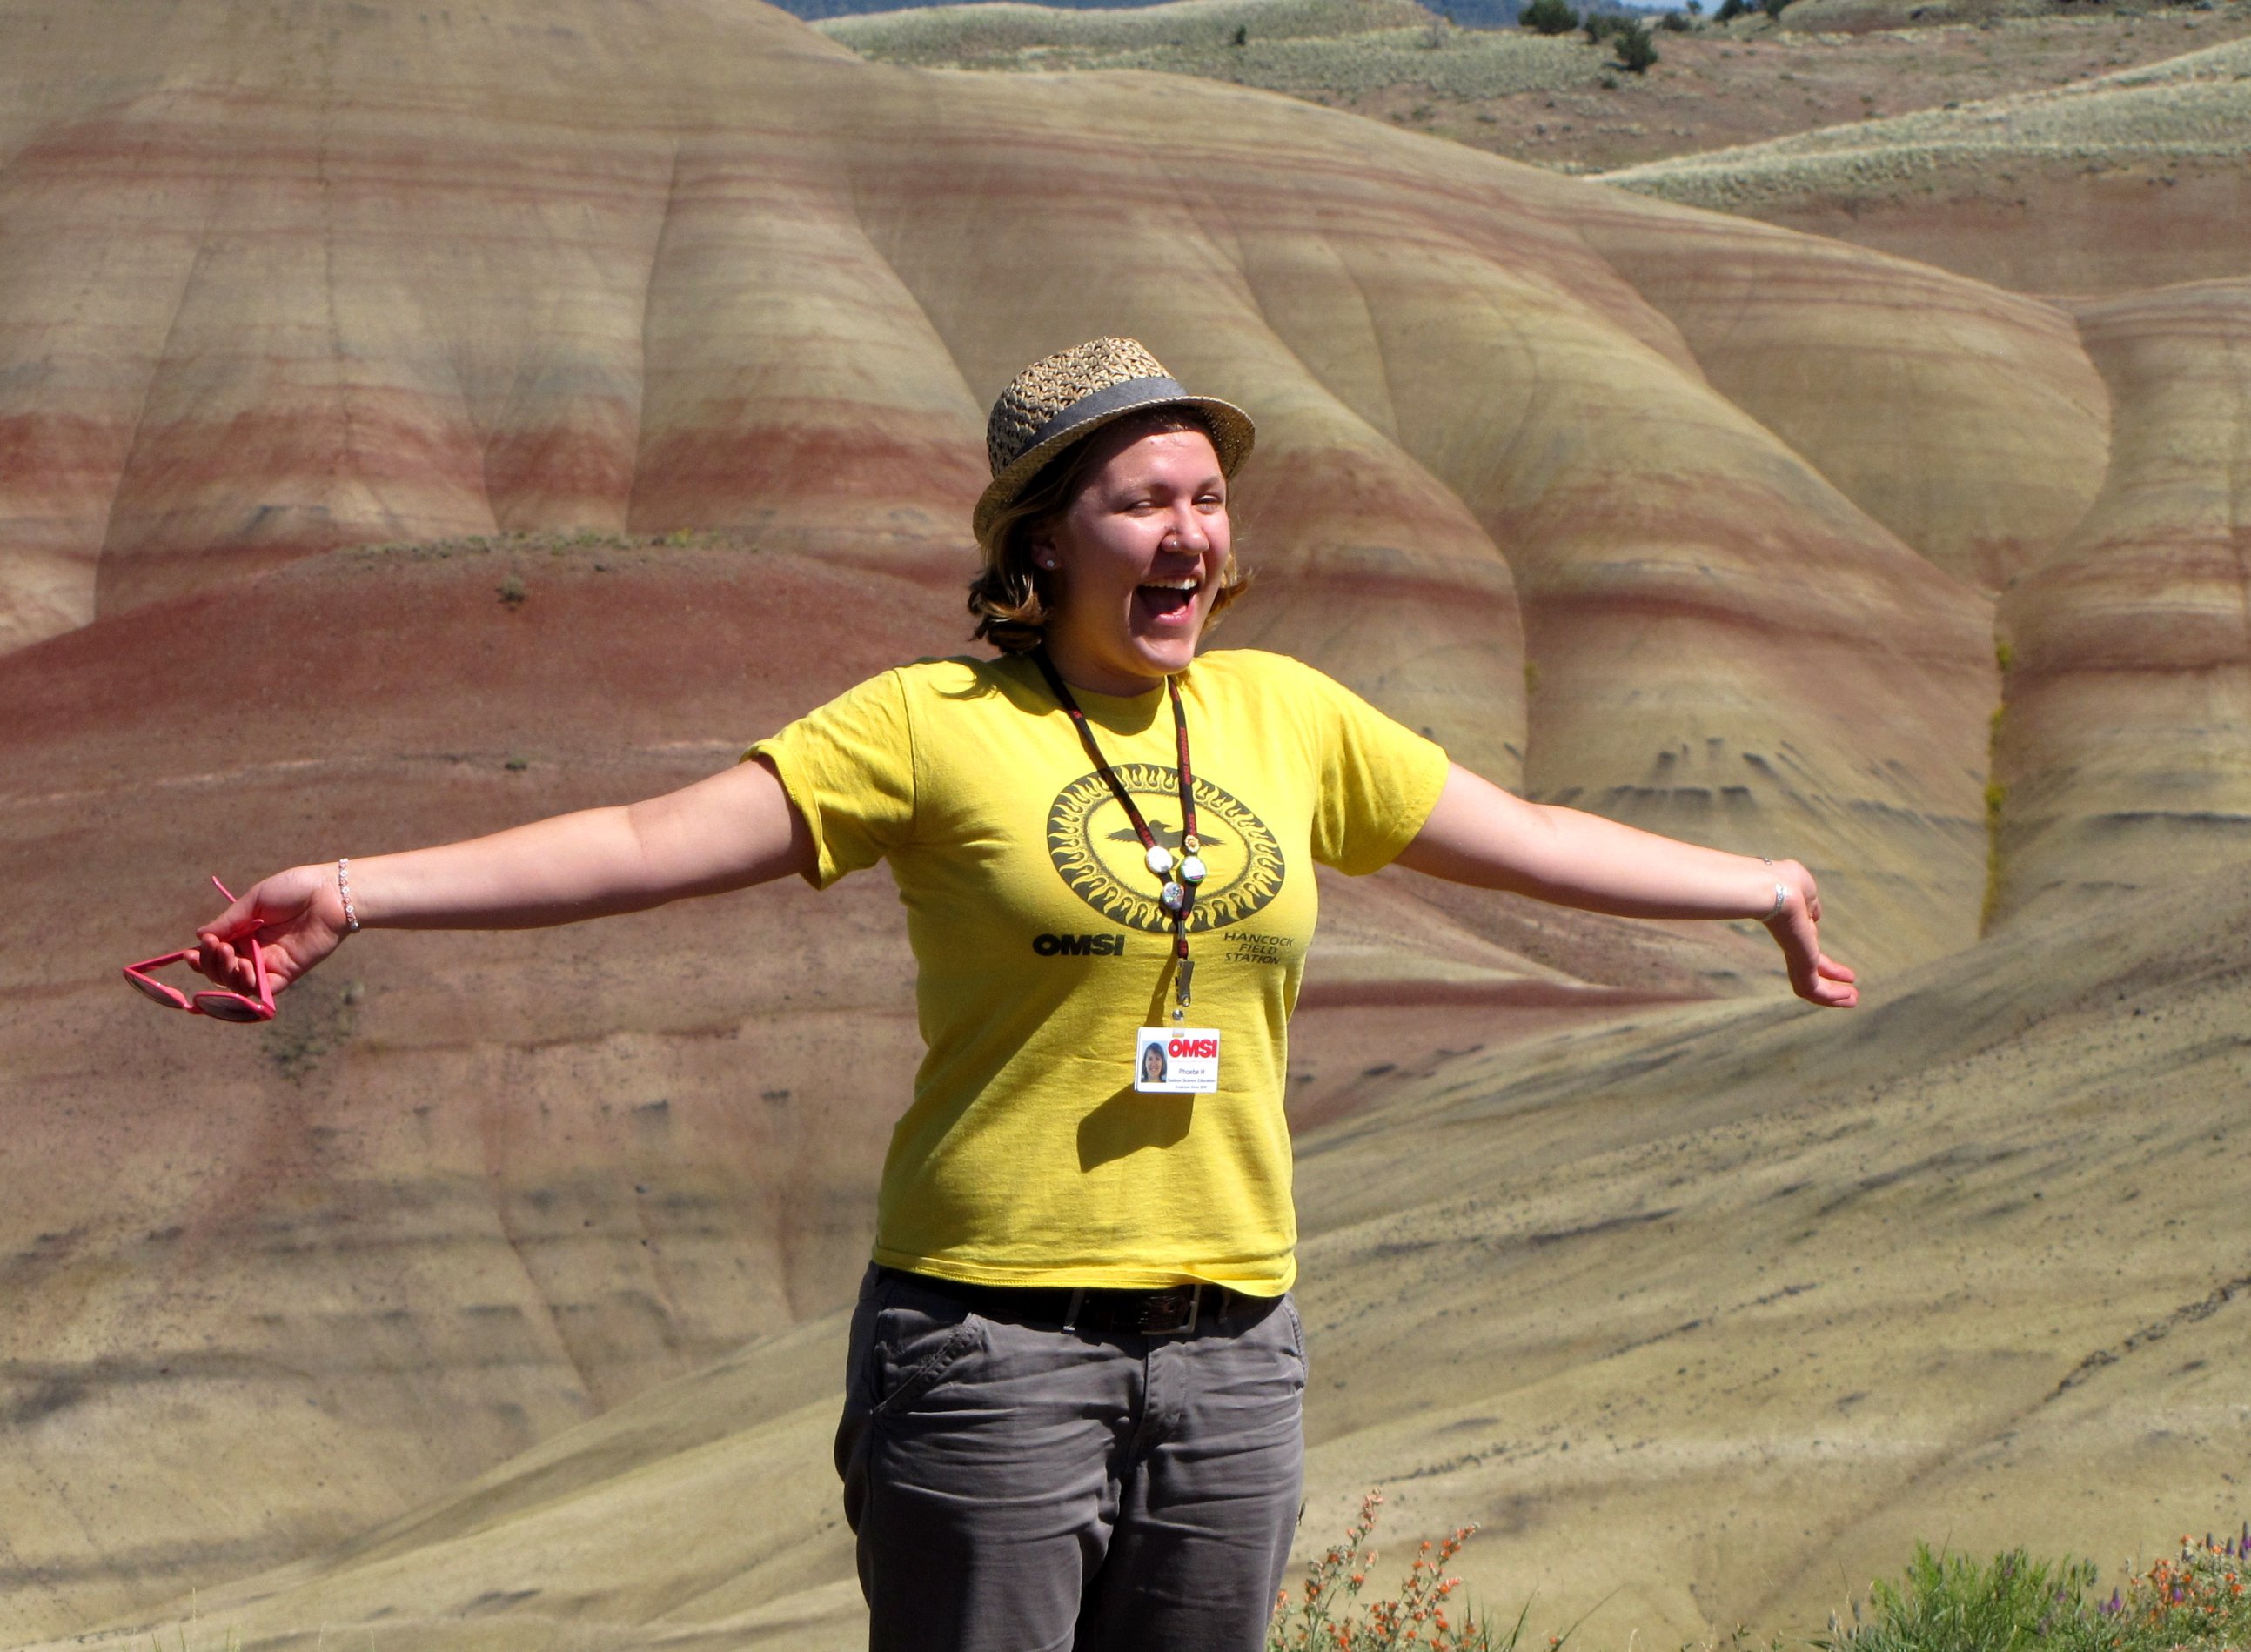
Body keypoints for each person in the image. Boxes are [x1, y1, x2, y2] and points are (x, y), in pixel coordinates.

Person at [165, 337, 1856, 1652]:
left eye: (1204, 498)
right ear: (1043, 538)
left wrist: (1757, 884)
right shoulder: (927, 727)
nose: (1185, 533)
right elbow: (644, 838)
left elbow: (1533, 835)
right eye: (1141, 501)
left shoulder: (1290, 719)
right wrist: (359, 888)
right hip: (989, 1348)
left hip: (1231, 1354)